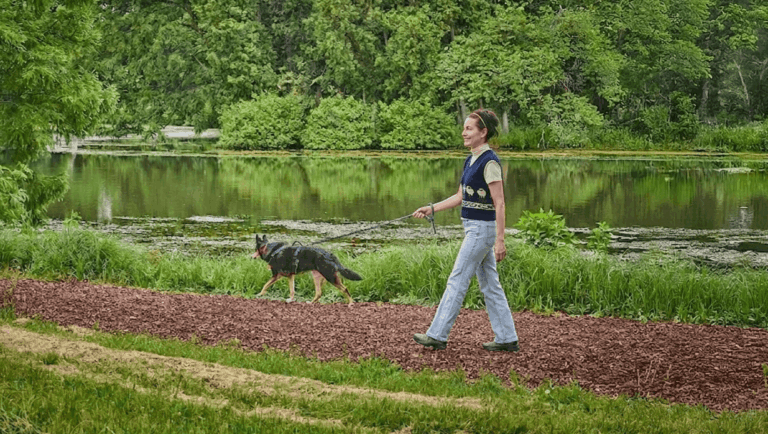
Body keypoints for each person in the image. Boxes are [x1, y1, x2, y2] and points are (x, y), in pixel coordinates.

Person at [412, 109, 519, 352]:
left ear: (483, 132)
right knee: (490, 285)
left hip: (482, 231)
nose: (464, 132)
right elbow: (461, 196)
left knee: (457, 279)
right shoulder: (470, 159)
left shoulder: (489, 161)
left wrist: (500, 240)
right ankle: (507, 338)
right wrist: (432, 208)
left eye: (469, 128)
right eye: (464, 128)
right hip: (474, 228)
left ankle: (437, 335)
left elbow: (499, 202)